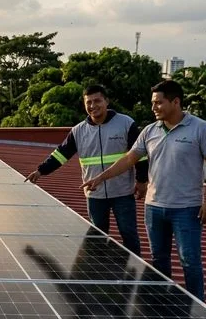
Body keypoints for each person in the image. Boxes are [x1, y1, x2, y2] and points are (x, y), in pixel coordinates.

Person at [81, 80, 206, 301]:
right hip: (154, 207)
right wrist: (101, 177)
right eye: (152, 103)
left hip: (186, 208)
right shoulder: (150, 131)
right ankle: (161, 302)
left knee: (190, 260)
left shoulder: (200, 128)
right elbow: (129, 158)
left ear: (176, 102)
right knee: (159, 259)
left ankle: (199, 307)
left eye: (159, 103)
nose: (153, 107)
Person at [26, 84, 147, 255]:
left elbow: (140, 155)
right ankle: (101, 275)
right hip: (94, 194)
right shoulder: (78, 131)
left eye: (97, 101)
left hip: (122, 192)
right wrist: (41, 170)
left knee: (129, 235)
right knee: (97, 237)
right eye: (88, 102)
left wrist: (142, 181)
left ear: (107, 101)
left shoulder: (126, 123)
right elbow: (61, 154)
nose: (92, 106)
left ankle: (138, 277)